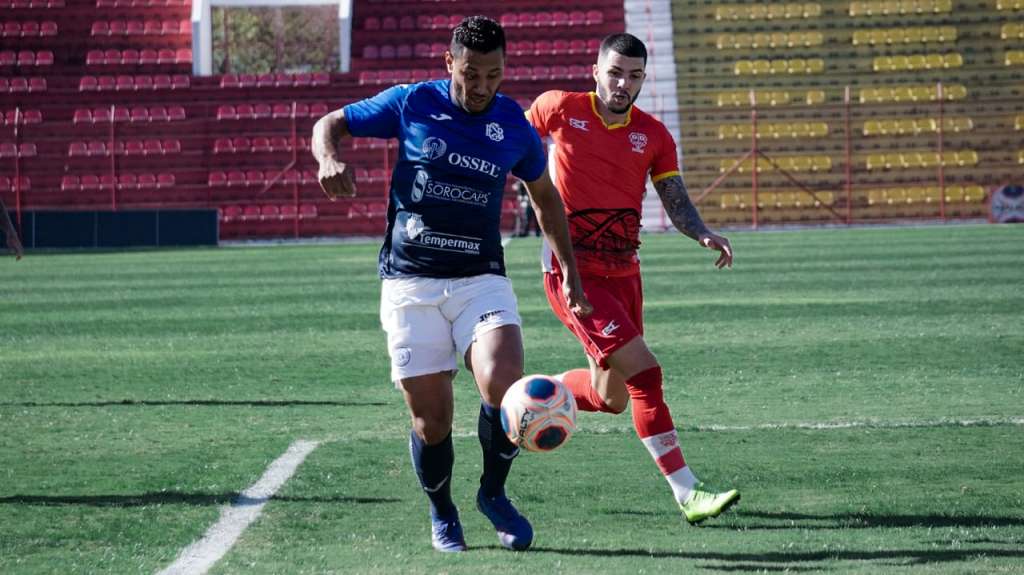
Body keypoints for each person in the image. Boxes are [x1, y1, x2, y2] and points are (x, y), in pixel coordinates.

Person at [311, 16, 591, 553]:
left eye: (494, 74)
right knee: (431, 421)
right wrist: (328, 157)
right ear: (449, 64)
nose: (482, 86)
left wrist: (571, 274)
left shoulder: (513, 125)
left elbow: (545, 198)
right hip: (410, 283)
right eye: (471, 74)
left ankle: (493, 494)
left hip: (479, 278)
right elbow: (331, 122)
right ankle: (443, 512)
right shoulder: (412, 102)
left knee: (503, 380)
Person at [524, 33, 739, 525]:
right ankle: (688, 493)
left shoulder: (655, 135)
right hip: (572, 271)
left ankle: (535, 391)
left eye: (634, 75)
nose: (623, 83)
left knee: (611, 397)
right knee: (646, 375)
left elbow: (674, 197)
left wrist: (702, 232)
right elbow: (511, 140)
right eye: (615, 72)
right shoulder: (559, 108)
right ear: (596, 70)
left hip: (624, 270)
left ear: (644, 78)